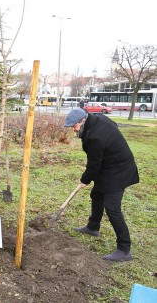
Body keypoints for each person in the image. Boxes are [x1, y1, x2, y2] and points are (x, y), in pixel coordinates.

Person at [64, 108, 139, 262]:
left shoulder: (95, 138)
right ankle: (93, 227)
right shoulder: (97, 119)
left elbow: (93, 165)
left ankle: (124, 249)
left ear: (83, 121)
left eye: (74, 126)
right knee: (96, 195)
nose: (73, 129)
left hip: (119, 170)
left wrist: (85, 179)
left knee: (113, 208)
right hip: (109, 166)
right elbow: (113, 126)